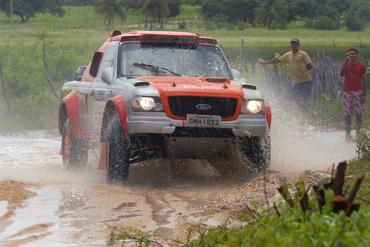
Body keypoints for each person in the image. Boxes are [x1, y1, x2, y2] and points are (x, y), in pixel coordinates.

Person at [258, 38, 313, 116]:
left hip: (306, 81)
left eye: (295, 44)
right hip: (296, 82)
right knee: (297, 100)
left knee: (305, 101)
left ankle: (310, 116)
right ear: (290, 45)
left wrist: (302, 71)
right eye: (292, 44)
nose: (294, 45)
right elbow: (277, 60)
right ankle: (308, 114)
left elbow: (310, 66)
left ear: (299, 45)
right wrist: (265, 62)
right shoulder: (288, 55)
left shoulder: (303, 54)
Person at [340, 48, 367, 139]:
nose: (351, 55)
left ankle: (358, 132)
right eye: (350, 54)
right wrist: (345, 63)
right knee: (347, 113)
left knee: (358, 113)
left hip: (358, 92)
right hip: (347, 92)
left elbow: (364, 80)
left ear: (356, 55)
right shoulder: (346, 64)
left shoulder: (361, 66)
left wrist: (364, 94)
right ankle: (348, 132)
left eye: (353, 53)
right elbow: (341, 74)